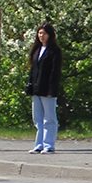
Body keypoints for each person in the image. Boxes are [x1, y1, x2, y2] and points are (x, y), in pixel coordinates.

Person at [26, 23, 62, 154]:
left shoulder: (54, 51)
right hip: (36, 88)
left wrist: (52, 90)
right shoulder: (36, 50)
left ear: (50, 35)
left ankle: (49, 144)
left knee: (49, 118)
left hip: (48, 90)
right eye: (40, 33)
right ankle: (39, 144)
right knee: (38, 118)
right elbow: (33, 70)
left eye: (44, 33)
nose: (41, 36)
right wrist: (30, 85)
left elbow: (55, 72)